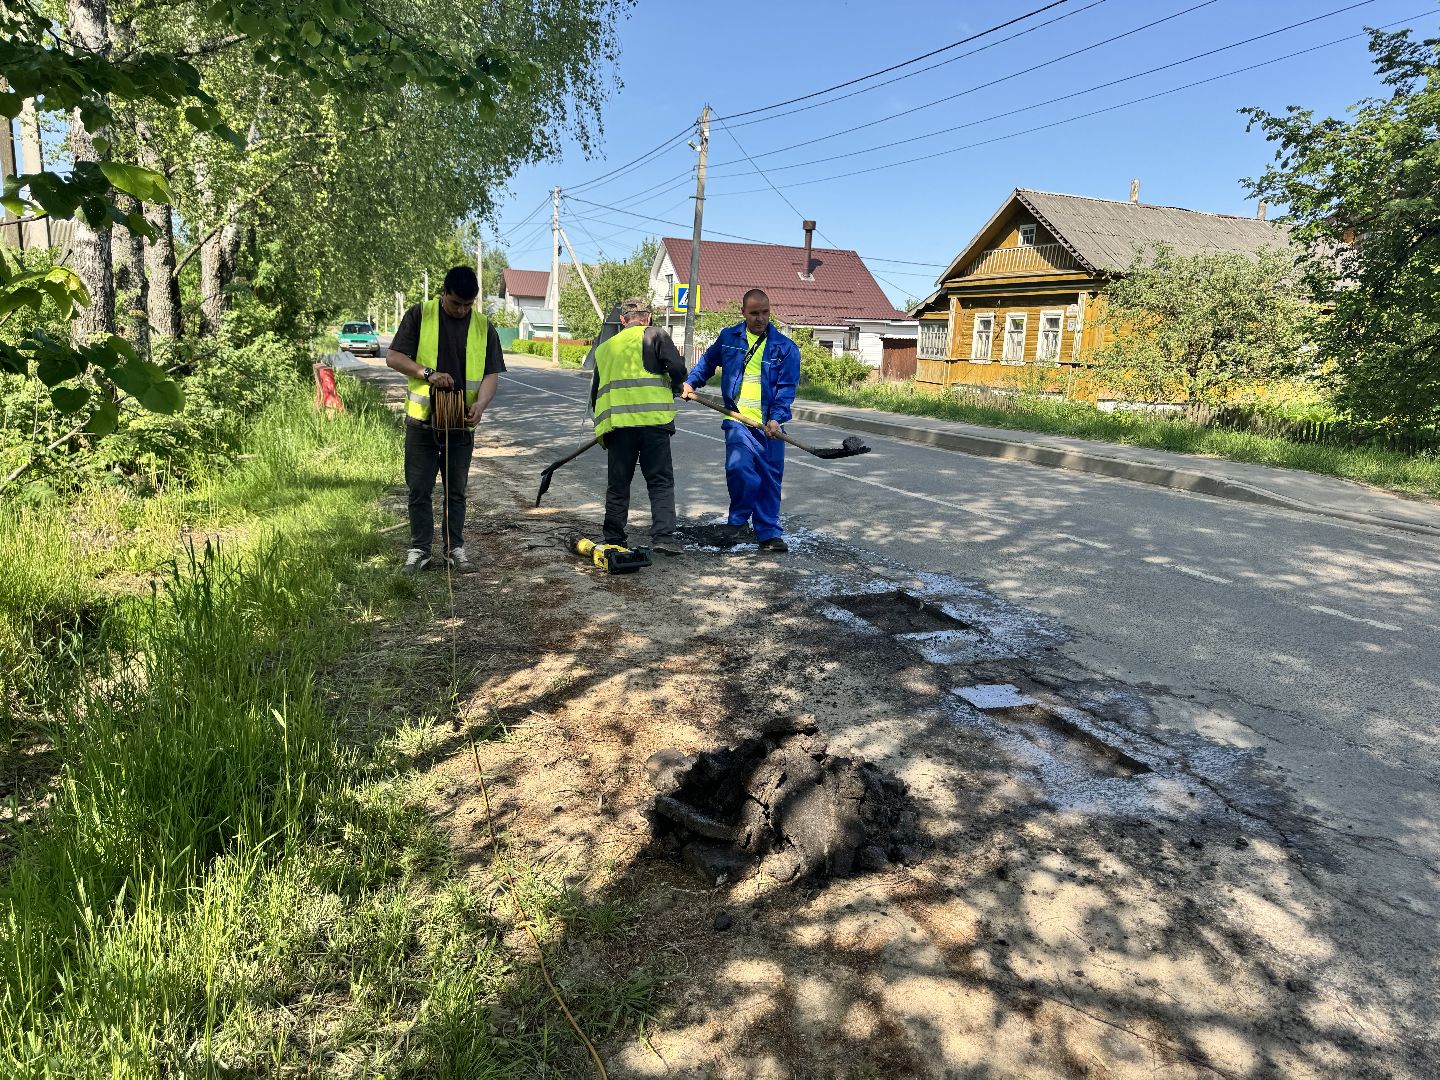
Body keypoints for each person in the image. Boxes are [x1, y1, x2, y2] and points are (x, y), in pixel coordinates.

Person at [385, 266, 505, 574]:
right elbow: (394, 357)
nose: (462, 310)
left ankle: (454, 548)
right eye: (456, 304)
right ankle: (420, 550)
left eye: (468, 305)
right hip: (422, 423)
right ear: (444, 294)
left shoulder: (483, 326)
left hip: (461, 424)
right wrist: (428, 374)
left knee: (456, 490)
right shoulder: (420, 314)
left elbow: (492, 374)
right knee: (419, 489)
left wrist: (481, 403)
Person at [681, 288, 801, 553]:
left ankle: (768, 535)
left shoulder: (785, 348)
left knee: (770, 480)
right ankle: (738, 521)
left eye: (765, 312)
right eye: (755, 313)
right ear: (743, 312)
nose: (760, 318)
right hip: (737, 420)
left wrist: (776, 419)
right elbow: (707, 363)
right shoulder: (728, 338)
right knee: (740, 470)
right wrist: (691, 382)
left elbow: (786, 390)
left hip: (770, 426)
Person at [591, 297, 689, 555]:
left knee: (618, 484)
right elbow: (677, 367)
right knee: (659, 481)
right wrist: (678, 385)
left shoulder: (605, 348)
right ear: (648, 318)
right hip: (653, 424)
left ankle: (613, 539)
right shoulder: (655, 335)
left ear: (622, 320)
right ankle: (664, 537)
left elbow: (596, 394)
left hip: (619, 426)